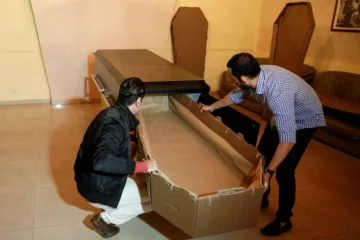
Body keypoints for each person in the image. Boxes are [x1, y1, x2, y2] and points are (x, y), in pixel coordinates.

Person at [200, 53, 326, 237]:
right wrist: (211, 107)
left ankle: (284, 220)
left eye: (233, 77)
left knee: (284, 171)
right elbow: (235, 96)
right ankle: (262, 196)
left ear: (243, 78)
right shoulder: (256, 77)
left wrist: (270, 172)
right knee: (261, 156)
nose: (233, 80)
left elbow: (288, 140)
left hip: (304, 119)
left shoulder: (277, 94)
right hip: (283, 114)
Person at [74, 77, 159, 238]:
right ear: (138, 101)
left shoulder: (111, 113)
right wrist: (142, 166)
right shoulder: (115, 125)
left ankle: (112, 205)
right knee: (156, 197)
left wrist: (132, 137)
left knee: (131, 147)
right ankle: (105, 219)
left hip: (86, 178)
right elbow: (102, 161)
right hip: (95, 187)